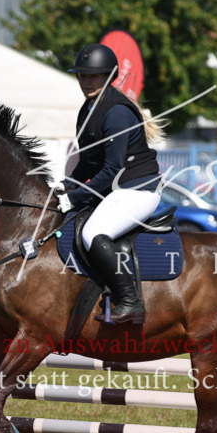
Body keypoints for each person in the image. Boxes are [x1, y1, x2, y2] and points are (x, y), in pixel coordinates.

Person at [56, 43, 164, 324]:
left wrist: (75, 197)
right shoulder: (87, 109)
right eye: (82, 75)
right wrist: (66, 185)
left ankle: (131, 301)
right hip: (117, 188)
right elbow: (89, 162)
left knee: (93, 233)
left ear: (109, 76)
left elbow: (111, 170)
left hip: (137, 189)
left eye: (93, 76)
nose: (86, 81)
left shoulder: (116, 112)